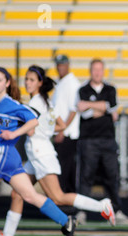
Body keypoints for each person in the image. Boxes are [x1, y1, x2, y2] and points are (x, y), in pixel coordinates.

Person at [0, 65, 115, 236]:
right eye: (26, 79)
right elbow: (60, 125)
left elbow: (31, 131)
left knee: (58, 197)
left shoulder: (36, 103)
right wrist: (44, 130)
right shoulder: (45, 101)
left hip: (41, 155)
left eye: (31, 80)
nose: (28, 83)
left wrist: (23, 128)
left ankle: (102, 206)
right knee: (17, 193)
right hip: (37, 154)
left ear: (39, 83)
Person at [0, 67, 77, 236]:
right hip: (9, 159)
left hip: (3, 153)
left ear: (7, 83)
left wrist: (14, 134)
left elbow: (33, 121)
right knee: (29, 196)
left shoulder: (13, 105)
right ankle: (66, 221)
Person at [76, 59, 128, 225]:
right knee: (86, 176)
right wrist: (103, 108)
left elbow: (111, 108)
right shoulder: (83, 89)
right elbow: (86, 113)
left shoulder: (110, 89)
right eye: (94, 69)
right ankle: (81, 211)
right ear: (90, 71)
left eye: (100, 70)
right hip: (88, 141)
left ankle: (116, 211)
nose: (97, 73)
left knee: (111, 176)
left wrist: (91, 106)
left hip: (108, 140)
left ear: (103, 71)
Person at [52, 54, 80, 193]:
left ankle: (64, 200)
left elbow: (73, 110)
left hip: (68, 134)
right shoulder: (61, 82)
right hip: (61, 131)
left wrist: (62, 130)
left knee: (64, 169)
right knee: (65, 169)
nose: (60, 67)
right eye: (58, 64)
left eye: (63, 64)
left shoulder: (72, 83)